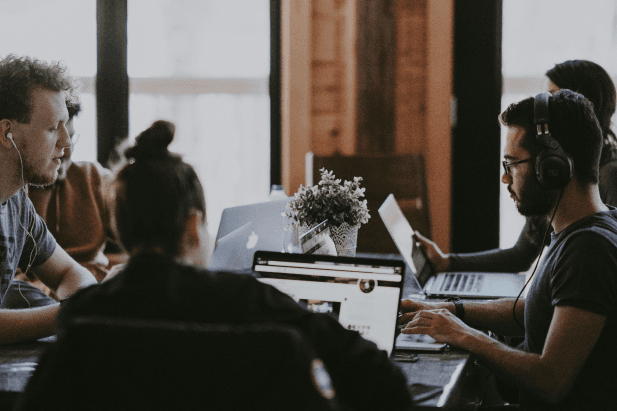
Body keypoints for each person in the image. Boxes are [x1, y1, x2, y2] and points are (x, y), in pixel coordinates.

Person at [55, 120, 413, 410]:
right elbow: (384, 380)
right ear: (194, 226)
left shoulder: (84, 315)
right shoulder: (250, 302)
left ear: (119, 226)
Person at [400, 90, 617, 410]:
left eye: (512, 164)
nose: (504, 177)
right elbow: (530, 311)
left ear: (553, 167)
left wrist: (464, 335)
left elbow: (551, 380)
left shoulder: (588, 250)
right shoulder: (586, 229)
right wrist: (449, 312)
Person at [418, 60, 617, 274]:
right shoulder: (546, 174)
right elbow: (520, 256)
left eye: (555, 98)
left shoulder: (605, 180)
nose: (545, 112)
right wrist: (447, 262)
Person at [0, 55, 98, 344]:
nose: (67, 143)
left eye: (65, 126)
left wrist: (78, 304)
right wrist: (72, 313)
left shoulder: (16, 200)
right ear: (7, 133)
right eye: (53, 127)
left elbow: (70, 271)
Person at [24, 100, 125, 283]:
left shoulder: (94, 176)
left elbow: (135, 235)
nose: (67, 150)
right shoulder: (13, 192)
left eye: (71, 137)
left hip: (90, 282)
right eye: (55, 139)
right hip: (36, 290)